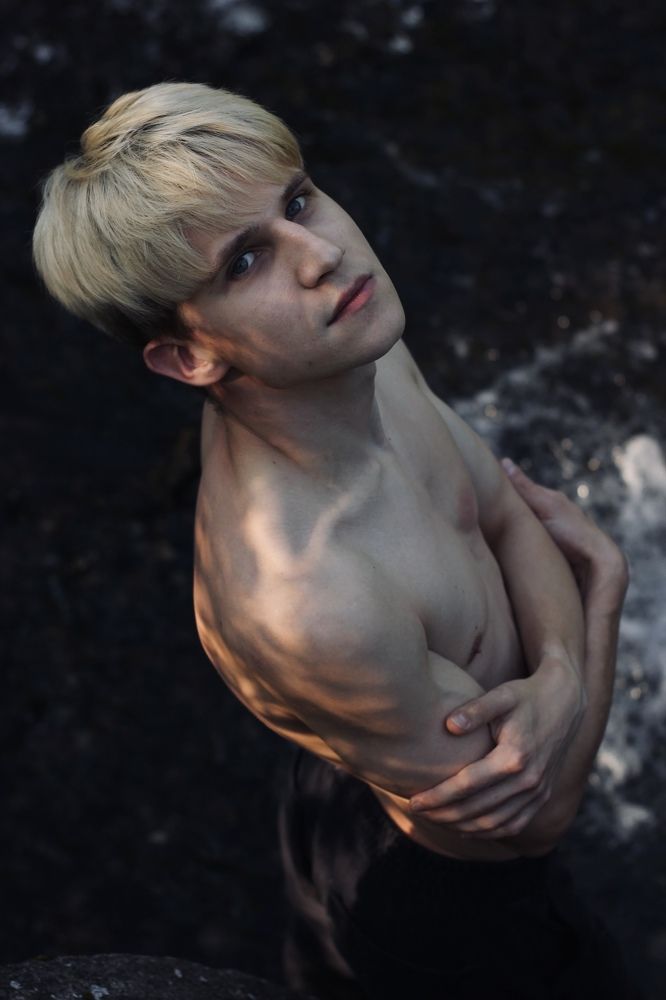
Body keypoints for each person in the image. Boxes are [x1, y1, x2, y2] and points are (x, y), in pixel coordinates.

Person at [33, 83, 634, 998]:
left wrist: (557, 672)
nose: (323, 256)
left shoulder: (353, 338)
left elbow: (507, 516)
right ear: (190, 357)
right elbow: (535, 819)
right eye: (246, 262)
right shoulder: (314, 595)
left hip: (374, 738)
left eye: (300, 200)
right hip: (448, 896)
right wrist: (603, 599)